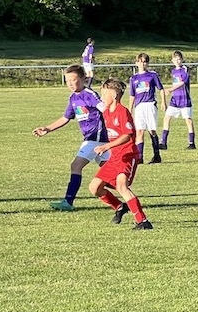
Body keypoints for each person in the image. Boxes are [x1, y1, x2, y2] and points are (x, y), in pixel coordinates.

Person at [33, 63, 109, 211]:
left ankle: (68, 201)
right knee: (109, 172)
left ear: (83, 78)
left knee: (76, 166)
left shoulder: (90, 94)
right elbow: (65, 118)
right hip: (95, 139)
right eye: (67, 81)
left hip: (95, 138)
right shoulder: (73, 98)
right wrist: (47, 129)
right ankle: (126, 197)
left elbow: (105, 109)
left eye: (73, 80)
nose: (70, 84)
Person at [90, 77, 153, 229]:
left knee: (121, 186)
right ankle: (119, 207)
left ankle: (142, 221)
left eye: (104, 94)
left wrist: (106, 146)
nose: (102, 97)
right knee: (94, 188)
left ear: (114, 95)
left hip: (128, 156)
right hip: (115, 158)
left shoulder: (122, 112)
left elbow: (127, 136)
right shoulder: (106, 112)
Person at [128, 52, 165, 164]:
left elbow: (161, 89)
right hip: (139, 107)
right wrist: (130, 109)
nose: (142, 64)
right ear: (136, 63)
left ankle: (157, 155)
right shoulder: (133, 78)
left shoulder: (152, 75)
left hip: (150, 104)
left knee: (152, 130)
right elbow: (132, 95)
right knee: (139, 131)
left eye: (145, 62)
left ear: (147, 63)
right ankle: (139, 157)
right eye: (140, 62)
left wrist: (163, 102)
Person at [161, 50, 196, 150]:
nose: (177, 61)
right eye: (175, 59)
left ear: (182, 60)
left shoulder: (184, 69)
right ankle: (163, 143)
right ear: (172, 60)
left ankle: (191, 143)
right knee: (167, 117)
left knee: (188, 120)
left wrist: (171, 89)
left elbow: (183, 82)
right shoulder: (173, 71)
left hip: (184, 99)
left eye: (179, 59)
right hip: (175, 99)